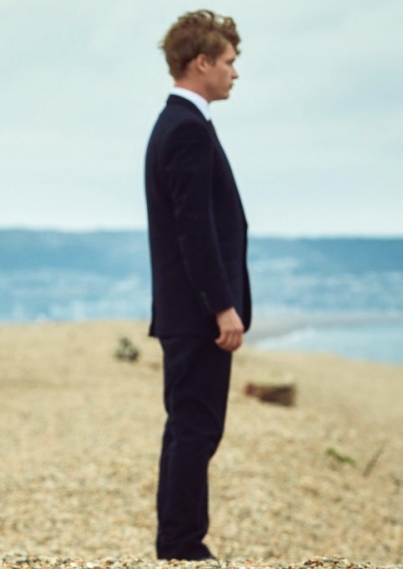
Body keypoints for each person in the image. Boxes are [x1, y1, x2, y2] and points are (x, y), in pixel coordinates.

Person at [143, 9, 251, 561]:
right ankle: (183, 546)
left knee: (189, 427)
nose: (236, 72)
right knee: (196, 429)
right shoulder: (185, 128)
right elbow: (195, 229)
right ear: (200, 62)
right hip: (197, 316)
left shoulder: (183, 123)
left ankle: (179, 540)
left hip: (189, 313)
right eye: (230, 62)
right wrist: (222, 307)